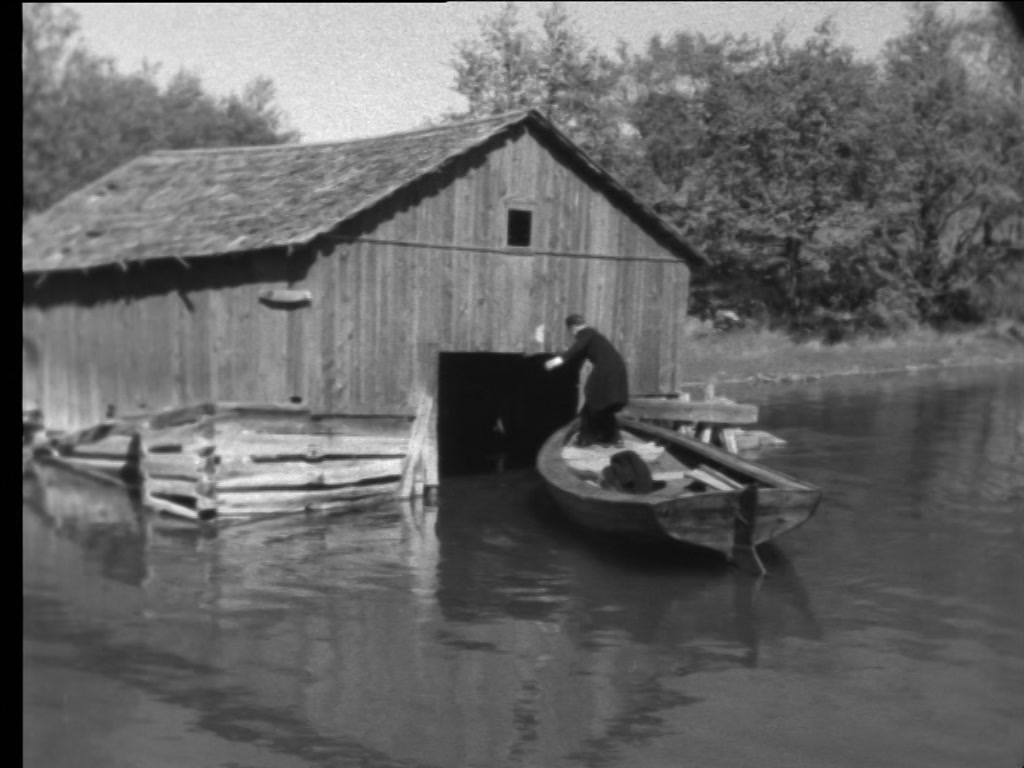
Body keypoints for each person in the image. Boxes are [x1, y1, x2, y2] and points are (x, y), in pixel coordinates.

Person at [544, 314, 629, 447]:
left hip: (607, 369)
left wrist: (557, 360)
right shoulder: (592, 335)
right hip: (614, 368)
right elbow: (579, 350)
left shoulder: (586, 333)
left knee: (594, 400)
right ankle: (604, 437)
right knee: (600, 403)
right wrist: (567, 353)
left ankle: (590, 438)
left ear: (572, 328)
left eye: (571, 332)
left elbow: (577, 348)